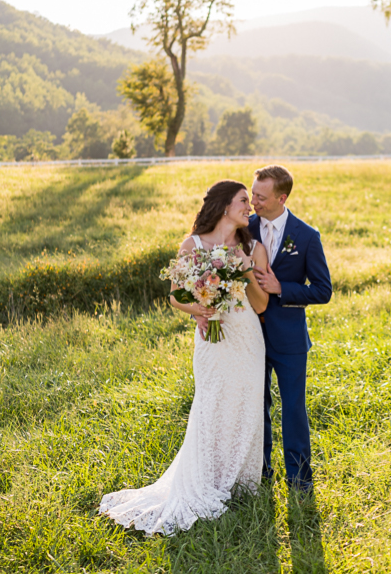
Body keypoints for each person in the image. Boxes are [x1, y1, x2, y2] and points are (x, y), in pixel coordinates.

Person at [99, 180, 270, 536]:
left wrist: (245, 270)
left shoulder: (250, 246)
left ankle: (239, 484)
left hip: (247, 337)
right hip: (212, 338)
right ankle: (207, 479)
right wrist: (201, 311)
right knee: (212, 402)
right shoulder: (192, 244)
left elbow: (261, 304)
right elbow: (175, 296)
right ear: (225, 206)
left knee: (245, 404)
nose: (249, 207)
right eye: (243, 201)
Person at [248, 165, 332, 492]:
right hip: (250, 336)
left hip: (290, 339)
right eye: (253, 193)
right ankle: (261, 475)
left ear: (281, 198)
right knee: (257, 407)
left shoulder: (307, 236)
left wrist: (280, 287)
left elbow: (322, 290)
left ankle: (299, 481)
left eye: (261, 196)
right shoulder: (244, 228)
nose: (253, 201)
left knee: (293, 409)